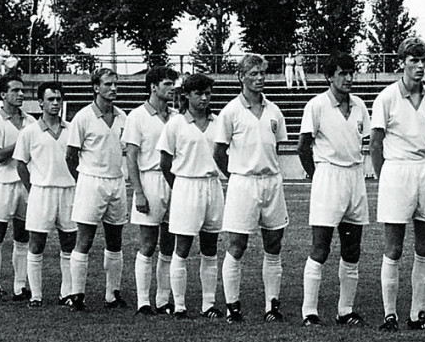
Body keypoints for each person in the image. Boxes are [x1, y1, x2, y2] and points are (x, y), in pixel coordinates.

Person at [369, 38, 425, 332]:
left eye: (423, 61)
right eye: (414, 61)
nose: (419, 66)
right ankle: (390, 314)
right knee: (394, 246)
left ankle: (418, 313)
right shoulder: (386, 97)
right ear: (402, 62)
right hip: (397, 171)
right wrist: (384, 178)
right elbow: (375, 143)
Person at [297, 51, 371, 327]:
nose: (349, 78)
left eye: (351, 72)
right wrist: (317, 175)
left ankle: (345, 310)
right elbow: (302, 147)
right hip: (328, 175)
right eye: (342, 73)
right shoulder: (316, 106)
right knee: (321, 247)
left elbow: (362, 140)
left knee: (352, 248)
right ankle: (309, 311)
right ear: (330, 77)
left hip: (354, 176)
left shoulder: (360, 106)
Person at [213, 53, 288, 323]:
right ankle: (233, 306)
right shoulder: (230, 111)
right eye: (254, 74)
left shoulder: (274, 110)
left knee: (274, 243)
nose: (259, 79)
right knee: (236, 245)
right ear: (241, 77)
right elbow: (218, 151)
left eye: (262, 73)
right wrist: (236, 174)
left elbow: (276, 147)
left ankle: (272, 306)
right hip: (243, 182)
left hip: (271, 182)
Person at [158, 73, 224, 319]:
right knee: (182, 247)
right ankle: (179, 305)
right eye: (199, 93)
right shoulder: (176, 124)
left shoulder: (218, 122)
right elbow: (165, 162)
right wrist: (179, 186)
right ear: (187, 95)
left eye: (208, 93)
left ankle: (209, 304)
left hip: (212, 186)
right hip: (186, 185)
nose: (204, 98)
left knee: (210, 247)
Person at [65, 68, 129, 311]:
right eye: (108, 84)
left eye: (115, 84)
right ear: (95, 87)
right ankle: (77, 294)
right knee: (85, 239)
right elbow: (71, 156)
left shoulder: (123, 117)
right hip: (91, 181)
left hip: (116, 181)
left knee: (115, 240)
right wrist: (82, 179)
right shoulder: (82, 117)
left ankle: (112, 294)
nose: (113, 88)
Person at [14, 81, 77, 308]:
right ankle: (36, 295)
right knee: (36, 243)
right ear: (40, 102)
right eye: (50, 99)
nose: (55, 103)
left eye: (59, 99)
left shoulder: (72, 129)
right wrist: (34, 188)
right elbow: (20, 164)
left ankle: (67, 293)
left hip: (68, 192)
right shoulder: (29, 132)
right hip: (41, 192)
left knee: (69, 243)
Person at [124, 66, 179, 315]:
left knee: (169, 244)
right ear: (153, 87)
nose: (172, 88)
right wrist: (138, 191)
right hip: (150, 180)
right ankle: (143, 300)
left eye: (173, 84)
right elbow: (131, 157)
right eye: (167, 84)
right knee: (148, 244)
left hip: (174, 182)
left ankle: (163, 299)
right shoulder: (137, 116)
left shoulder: (177, 116)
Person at [0, 73, 36, 301]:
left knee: (23, 236)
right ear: (3, 94)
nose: (20, 94)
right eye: (15, 90)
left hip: (24, 183)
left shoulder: (31, 121)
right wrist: (22, 140)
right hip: (2, 184)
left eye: (22, 90)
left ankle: (19, 286)